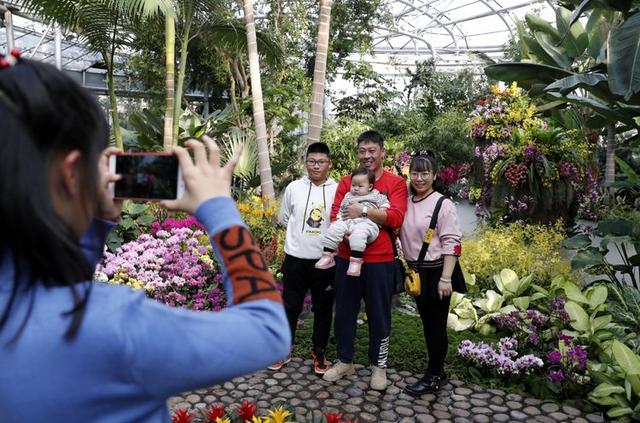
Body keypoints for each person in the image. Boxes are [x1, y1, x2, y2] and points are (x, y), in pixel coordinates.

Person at [0, 57, 290, 422]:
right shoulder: (112, 324)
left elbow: (52, 287)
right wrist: (220, 209)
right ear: (72, 173)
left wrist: (97, 224)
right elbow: (266, 330)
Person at [322, 131, 407, 391]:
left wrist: (365, 211)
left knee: (379, 315)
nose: (367, 155)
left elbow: (396, 218)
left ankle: (378, 367)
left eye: (372, 150)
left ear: (383, 151)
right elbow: (337, 214)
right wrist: (347, 226)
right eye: (362, 150)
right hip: (347, 258)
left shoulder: (395, 183)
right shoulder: (348, 182)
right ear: (357, 152)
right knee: (344, 312)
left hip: (380, 261)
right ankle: (345, 361)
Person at [268, 142, 338, 374]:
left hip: (326, 260)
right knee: (290, 307)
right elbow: (285, 218)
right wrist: (301, 238)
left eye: (320, 162)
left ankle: (319, 352)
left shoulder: (338, 190)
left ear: (329, 164)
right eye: (311, 161)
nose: (316, 166)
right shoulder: (293, 188)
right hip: (296, 259)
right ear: (305, 163)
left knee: (323, 309)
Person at [399, 151, 464, 396]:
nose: (419, 178)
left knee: (435, 326)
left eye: (425, 173)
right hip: (416, 272)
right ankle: (437, 370)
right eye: (415, 172)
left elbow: (452, 242)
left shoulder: (442, 204)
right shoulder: (406, 200)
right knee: (427, 324)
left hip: (437, 272)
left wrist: (446, 278)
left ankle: (434, 376)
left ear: (434, 175)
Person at [315, 167, 389, 277]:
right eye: (353, 185)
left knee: (358, 233)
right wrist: (340, 221)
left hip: (368, 224)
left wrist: (379, 211)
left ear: (370, 187)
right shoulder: (348, 196)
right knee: (334, 228)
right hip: (348, 221)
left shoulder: (377, 195)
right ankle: (327, 254)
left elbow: (385, 206)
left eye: (360, 186)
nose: (355, 188)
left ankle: (356, 260)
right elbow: (341, 209)